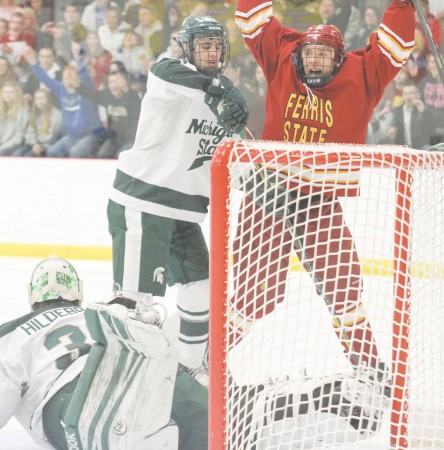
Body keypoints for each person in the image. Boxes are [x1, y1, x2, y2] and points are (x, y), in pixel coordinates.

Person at [230, 0, 416, 431]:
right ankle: (206, 360)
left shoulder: (363, 74)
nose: (314, 60)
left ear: (339, 58)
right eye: (309, 53)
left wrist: (403, 4)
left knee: (342, 285)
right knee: (254, 295)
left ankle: (369, 368)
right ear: (298, 54)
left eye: (323, 55)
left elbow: (395, 45)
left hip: (319, 199)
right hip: (268, 193)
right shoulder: (282, 59)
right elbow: (252, 17)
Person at [107, 14, 249, 387]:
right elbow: (165, 72)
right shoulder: (170, 74)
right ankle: (116, 382)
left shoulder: (224, 95)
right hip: (144, 200)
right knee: (134, 304)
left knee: (202, 284)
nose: (211, 51)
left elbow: (231, 158)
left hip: (184, 212)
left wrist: (262, 181)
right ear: (187, 47)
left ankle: (188, 368)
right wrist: (218, 91)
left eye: (216, 45)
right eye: (203, 44)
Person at [0, 256, 208, 449]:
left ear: (32, 294)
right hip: (127, 372)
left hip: (69, 402)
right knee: (205, 421)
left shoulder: (10, 334)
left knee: (105, 432)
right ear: (78, 291)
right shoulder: (97, 313)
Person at [13, 87, 62, 157]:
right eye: (37, 98)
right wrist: (34, 144)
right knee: (17, 153)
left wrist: (39, 146)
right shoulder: (34, 113)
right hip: (34, 144)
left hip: (47, 146)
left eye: (42, 98)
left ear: (48, 100)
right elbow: (29, 132)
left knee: (29, 156)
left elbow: (51, 137)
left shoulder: (56, 114)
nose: (39, 101)